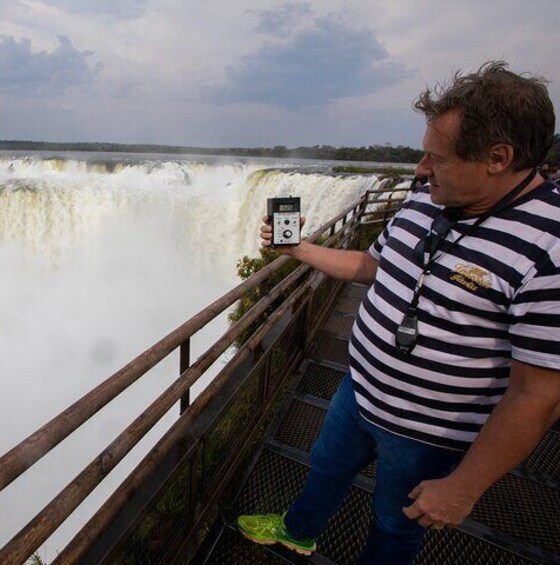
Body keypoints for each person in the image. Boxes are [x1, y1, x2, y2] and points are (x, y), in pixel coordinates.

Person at [237, 61, 560, 564]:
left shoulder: (549, 248)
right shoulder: (426, 200)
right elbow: (372, 264)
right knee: (324, 467)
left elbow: (536, 395)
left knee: (395, 522)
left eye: (436, 157)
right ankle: (299, 530)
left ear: (498, 157)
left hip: (431, 431)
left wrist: (464, 488)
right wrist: (298, 250)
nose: (420, 169)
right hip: (358, 388)